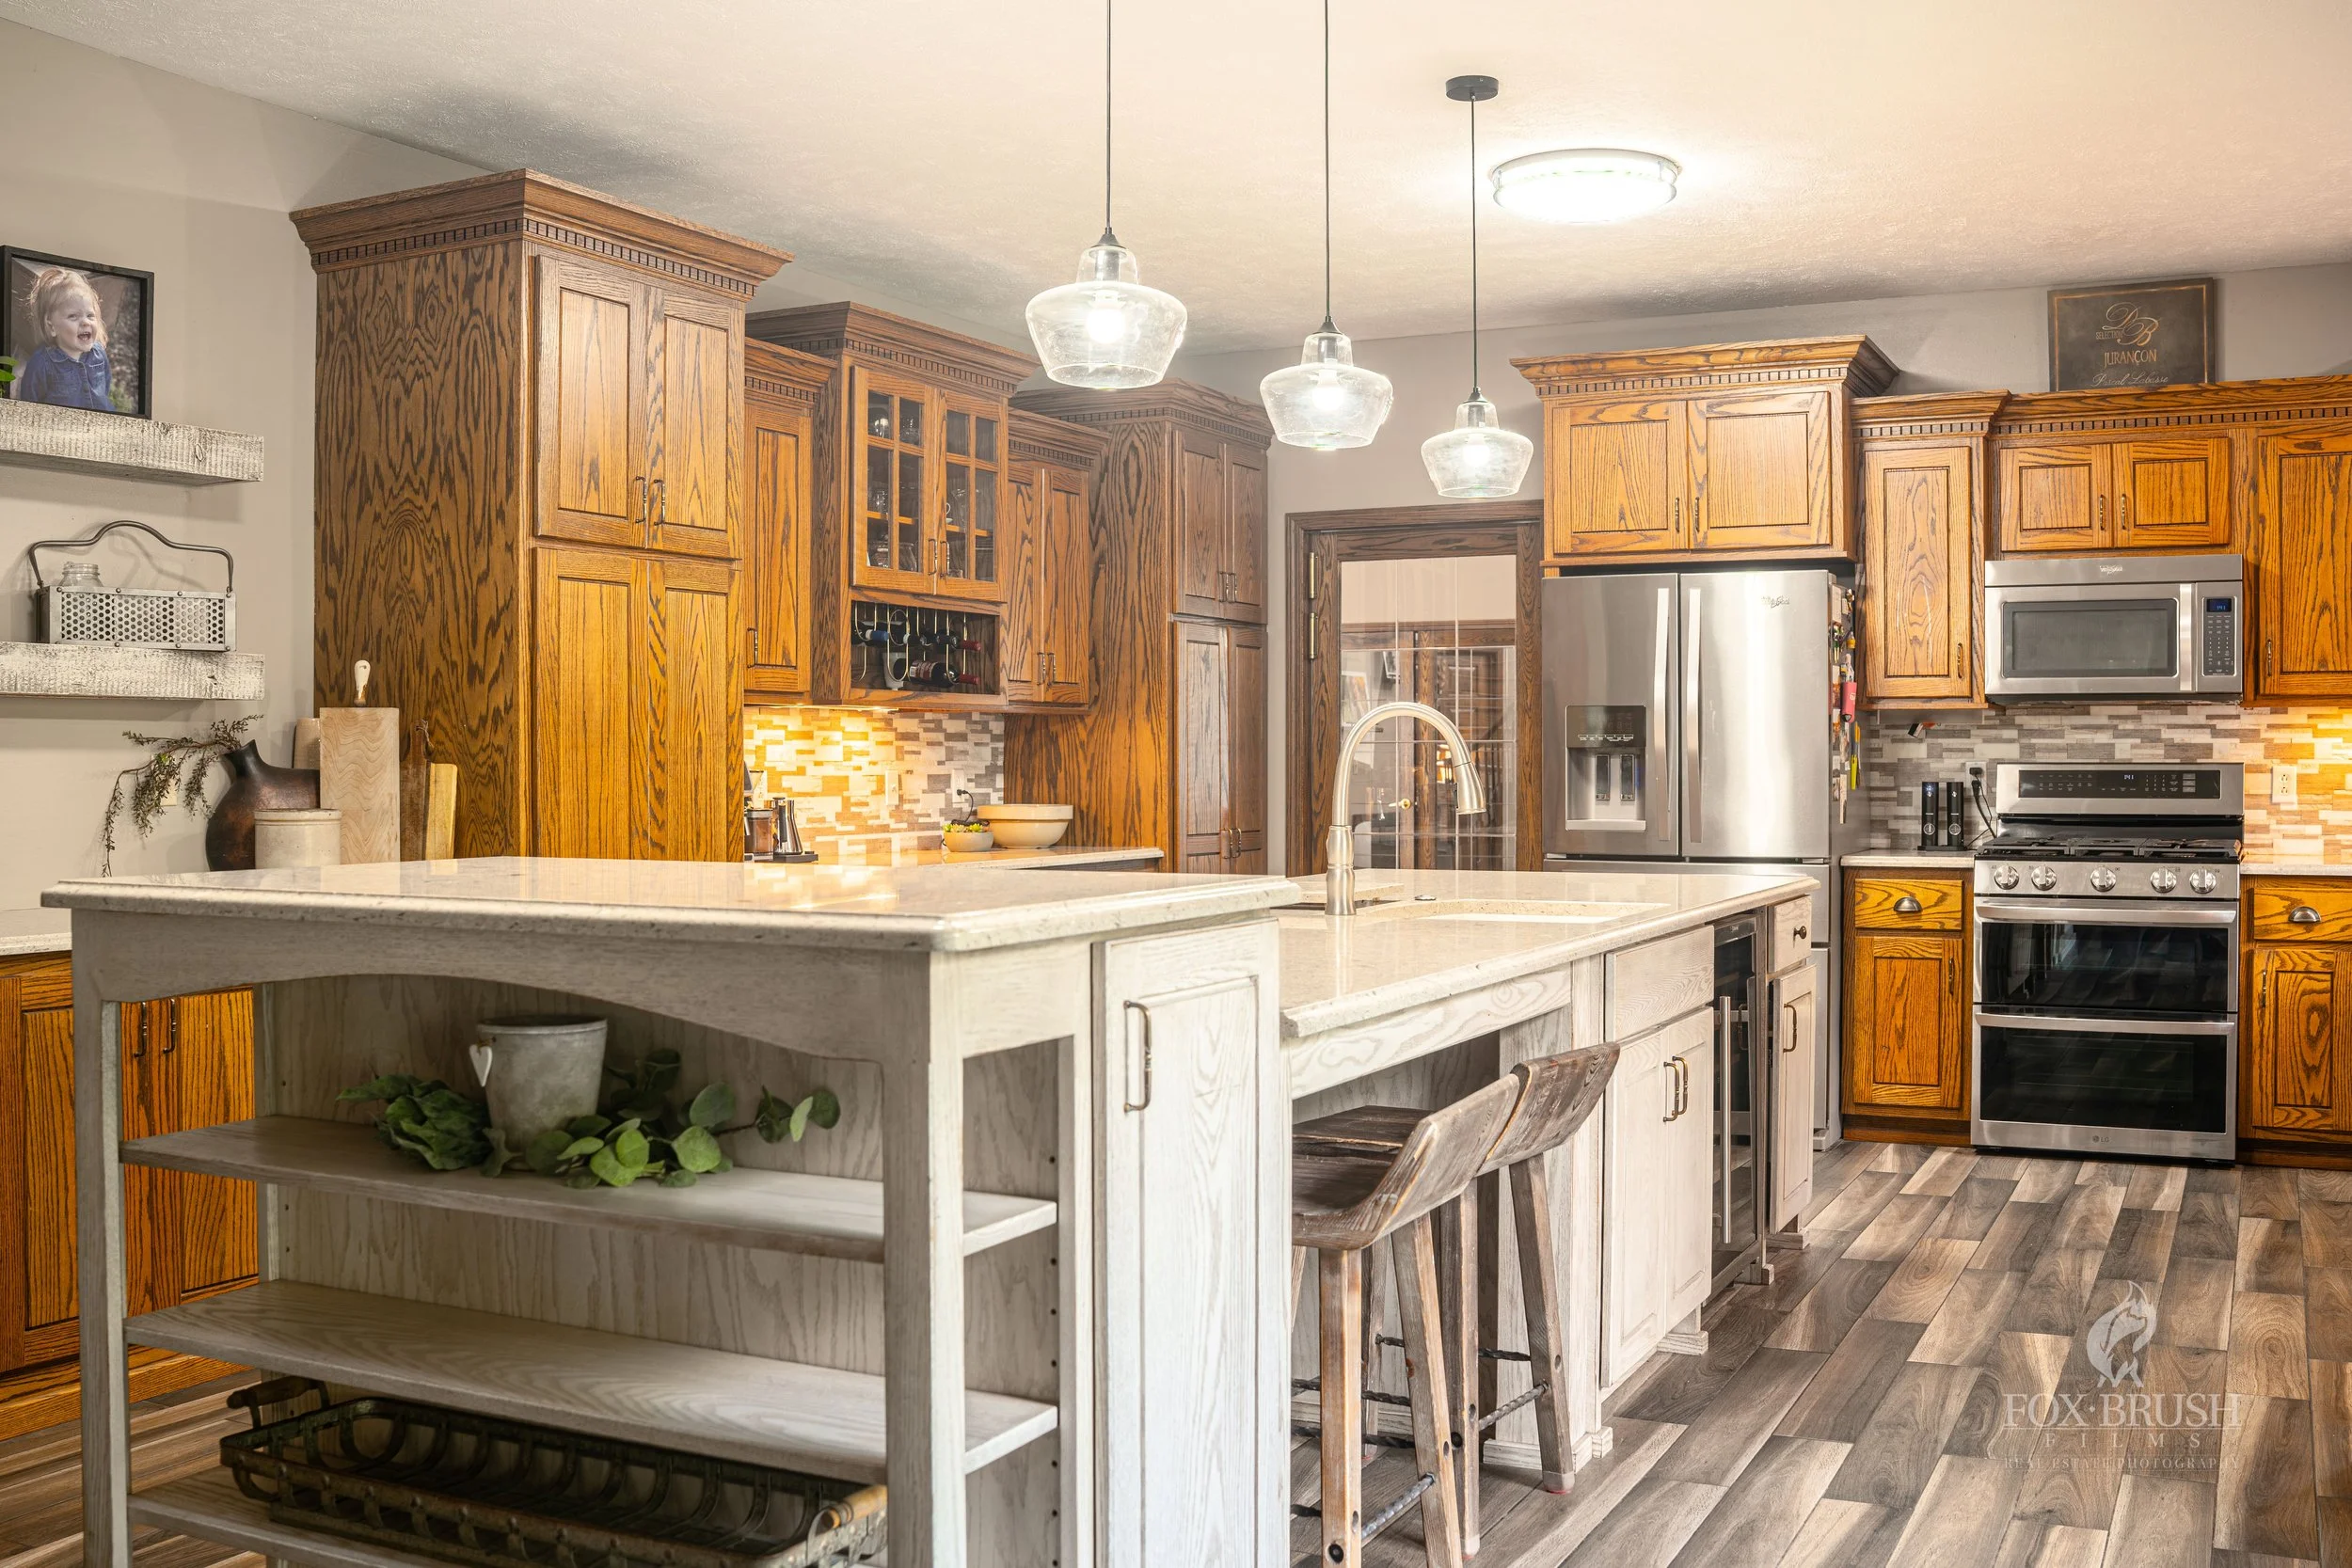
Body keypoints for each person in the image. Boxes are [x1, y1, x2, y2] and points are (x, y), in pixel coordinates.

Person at [13, 267, 115, 412]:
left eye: (90, 315)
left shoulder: (98, 353)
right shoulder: (42, 363)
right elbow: (29, 402)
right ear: (52, 326)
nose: (85, 322)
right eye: (73, 316)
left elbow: (105, 384)